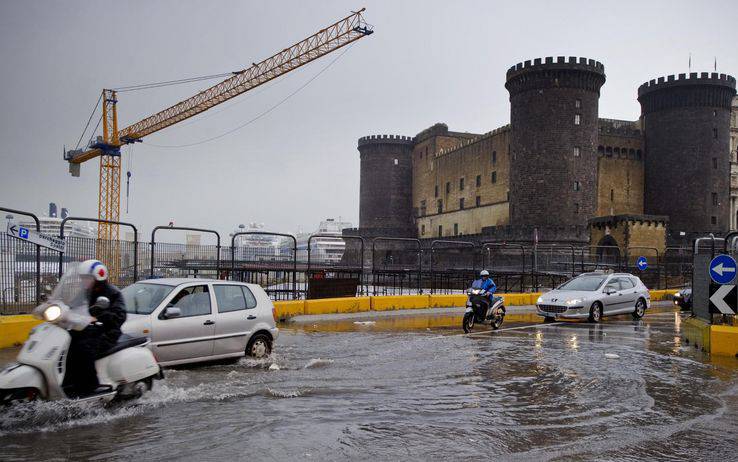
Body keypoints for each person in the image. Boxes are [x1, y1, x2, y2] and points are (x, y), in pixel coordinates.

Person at [63, 260, 127, 397]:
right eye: (83, 278)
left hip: (107, 332)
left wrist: (100, 317)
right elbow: (73, 306)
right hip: (88, 331)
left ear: (99, 277)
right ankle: (67, 383)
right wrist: (63, 311)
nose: (83, 281)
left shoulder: (113, 293)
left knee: (83, 348)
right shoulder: (85, 292)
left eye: (87, 278)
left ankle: (91, 387)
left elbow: (119, 315)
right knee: (66, 343)